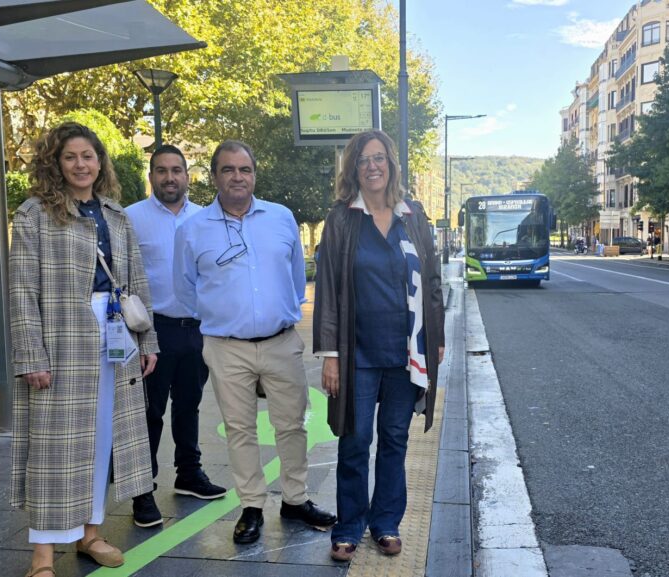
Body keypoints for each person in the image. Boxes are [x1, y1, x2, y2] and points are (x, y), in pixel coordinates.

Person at [9, 122, 158, 577]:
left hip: (115, 335)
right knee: (56, 451)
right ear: (55, 163)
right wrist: (31, 355)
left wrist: (147, 339)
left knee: (101, 440)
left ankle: (90, 534)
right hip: (61, 338)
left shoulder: (116, 215)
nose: (81, 165)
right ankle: (43, 557)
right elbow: (21, 291)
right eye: (70, 157)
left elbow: (136, 282)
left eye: (88, 156)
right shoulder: (34, 214)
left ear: (100, 162)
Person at [173, 140, 336, 545]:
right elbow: (185, 289)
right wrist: (225, 317)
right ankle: (251, 506)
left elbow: (297, 279)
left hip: (281, 342)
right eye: (227, 170)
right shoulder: (192, 229)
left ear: (254, 175)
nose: (237, 177)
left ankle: (295, 500)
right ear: (213, 177)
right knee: (240, 429)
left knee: (292, 425)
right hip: (226, 346)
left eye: (244, 169)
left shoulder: (281, 218)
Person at [313, 130, 446, 563]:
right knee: (354, 439)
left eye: (379, 158)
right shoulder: (342, 218)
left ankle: (385, 522)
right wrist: (330, 354)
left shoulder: (414, 215)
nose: (372, 166)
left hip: (406, 350)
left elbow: (431, 280)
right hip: (357, 352)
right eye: (364, 160)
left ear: (391, 163)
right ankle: (349, 527)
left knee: (394, 439)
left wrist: (437, 339)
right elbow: (330, 288)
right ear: (353, 169)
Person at [125, 144, 226, 529]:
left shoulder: (205, 220)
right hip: (152, 331)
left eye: (177, 170)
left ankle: (189, 475)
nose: (170, 177)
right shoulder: (130, 218)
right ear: (151, 176)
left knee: (189, 405)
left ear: (188, 176)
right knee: (148, 412)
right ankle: (142, 488)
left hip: (196, 330)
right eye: (162, 170)